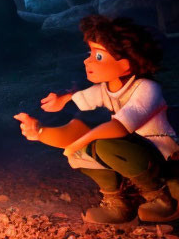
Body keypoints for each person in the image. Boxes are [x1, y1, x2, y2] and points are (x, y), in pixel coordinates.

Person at [15, 14, 179, 225]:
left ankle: (161, 197)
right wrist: (39, 131)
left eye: (98, 56)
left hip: (163, 155)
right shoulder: (104, 90)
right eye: (89, 53)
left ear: (125, 65)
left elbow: (119, 127)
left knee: (103, 145)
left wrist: (82, 141)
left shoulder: (147, 89)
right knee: (80, 152)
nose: (87, 60)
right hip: (136, 151)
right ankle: (119, 203)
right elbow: (76, 108)